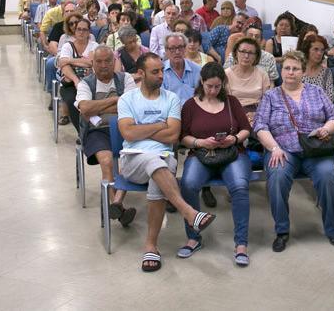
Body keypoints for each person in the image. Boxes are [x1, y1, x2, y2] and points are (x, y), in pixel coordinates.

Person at [117, 53, 216, 273]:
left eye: (162, 70)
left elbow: (173, 136)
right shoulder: (127, 99)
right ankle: (189, 213)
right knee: (156, 164)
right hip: (132, 159)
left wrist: (142, 129)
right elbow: (127, 132)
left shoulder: (171, 98)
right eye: (155, 72)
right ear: (140, 74)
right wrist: (159, 125)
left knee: (157, 174)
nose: (162, 75)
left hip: (163, 159)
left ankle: (151, 246)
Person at [253, 51, 334, 250]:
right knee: (276, 176)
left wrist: (326, 129)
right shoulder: (270, 96)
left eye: (295, 69)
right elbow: (260, 126)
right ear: (281, 70)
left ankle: (331, 228)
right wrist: (274, 148)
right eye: (287, 68)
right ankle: (282, 231)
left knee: (328, 176)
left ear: (303, 72)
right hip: (283, 150)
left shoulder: (316, 91)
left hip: (315, 149)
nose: (291, 72)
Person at [176, 62, 253, 266]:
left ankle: (241, 244)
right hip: (201, 153)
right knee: (188, 184)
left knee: (239, 187)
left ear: (223, 84)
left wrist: (234, 139)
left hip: (231, 152)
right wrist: (200, 142)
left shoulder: (231, 102)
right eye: (209, 86)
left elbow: (246, 129)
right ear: (202, 82)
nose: (213, 90)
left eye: (217, 86)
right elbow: (183, 136)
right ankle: (193, 237)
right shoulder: (190, 105)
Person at [75, 45, 137, 226]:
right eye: (99, 62)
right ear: (92, 63)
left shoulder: (125, 79)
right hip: (97, 131)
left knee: (129, 159)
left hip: (125, 128)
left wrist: (98, 105)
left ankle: (116, 203)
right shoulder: (86, 83)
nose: (103, 65)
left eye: (108, 61)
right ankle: (116, 204)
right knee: (107, 161)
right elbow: (84, 109)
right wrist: (117, 100)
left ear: (114, 62)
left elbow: (132, 105)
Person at [57, 18, 97, 129]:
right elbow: (63, 66)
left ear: (89, 32)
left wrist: (70, 60)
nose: (81, 32)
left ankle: (92, 130)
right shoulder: (67, 46)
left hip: (90, 83)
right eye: (79, 29)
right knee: (72, 101)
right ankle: (81, 133)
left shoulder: (94, 46)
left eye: (84, 30)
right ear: (75, 31)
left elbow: (90, 62)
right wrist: (76, 80)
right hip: (71, 83)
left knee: (91, 101)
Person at [225, 37, 272, 113]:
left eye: (250, 53)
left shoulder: (263, 74)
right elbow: (226, 102)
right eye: (243, 51)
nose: (246, 56)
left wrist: (256, 114)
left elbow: (266, 102)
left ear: (256, 56)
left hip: (258, 112)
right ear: (236, 53)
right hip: (234, 112)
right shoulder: (226, 74)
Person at [162, 32, 201, 103]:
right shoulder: (161, 71)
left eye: (180, 47)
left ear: (185, 48)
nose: (177, 52)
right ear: (166, 50)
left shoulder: (197, 70)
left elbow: (201, 96)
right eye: (172, 48)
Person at [300, 34, 334, 102]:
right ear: (307, 50)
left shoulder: (326, 72)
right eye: (315, 49)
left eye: (322, 50)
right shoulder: (297, 69)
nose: (319, 53)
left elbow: (330, 97)